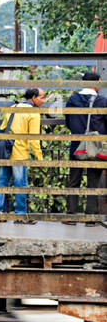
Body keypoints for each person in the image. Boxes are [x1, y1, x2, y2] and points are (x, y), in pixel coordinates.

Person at [0, 87, 45, 221]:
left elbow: (3, 128)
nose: (43, 100)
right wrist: (39, 158)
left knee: (2, 182)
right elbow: (34, 138)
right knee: (20, 184)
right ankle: (20, 215)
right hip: (19, 153)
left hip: (6, 152)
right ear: (33, 98)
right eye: (41, 97)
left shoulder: (13, 107)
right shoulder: (33, 114)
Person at [65, 71, 106, 219]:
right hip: (96, 146)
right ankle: (90, 217)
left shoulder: (72, 100)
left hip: (77, 145)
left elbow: (68, 122)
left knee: (74, 180)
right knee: (93, 183)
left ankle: (71, 216)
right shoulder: (102, 101)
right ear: (95, 84)